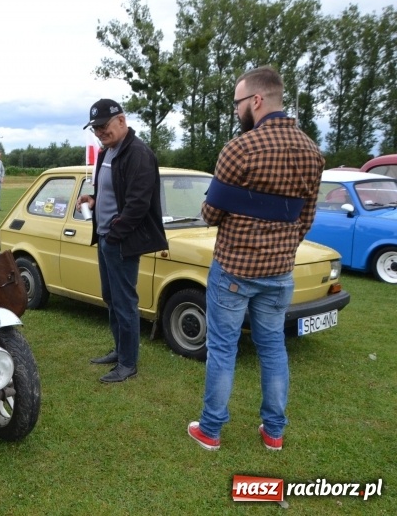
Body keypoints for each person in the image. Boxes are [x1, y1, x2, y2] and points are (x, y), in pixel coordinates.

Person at [187, 66, 325, 452]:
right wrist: (278, 245)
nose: (236, 111)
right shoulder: (313, 152)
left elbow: (210, 215)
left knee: (223, 348)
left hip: (234, 270)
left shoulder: (239, 149)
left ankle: (211, 430)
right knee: (273, 349)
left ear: (257, 101)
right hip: (280, 273)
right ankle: (274, 432)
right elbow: (305, 219)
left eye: (238, 103)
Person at [76, 99, 168, 383]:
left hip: (121, 241)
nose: (100, 132)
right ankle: (119, 350)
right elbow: (112, 192)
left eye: (104, 126)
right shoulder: (107, 152)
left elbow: (138, 205)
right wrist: (92, 200)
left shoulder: (138, 154)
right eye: (95, 129)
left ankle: (128, 363)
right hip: (105, 237)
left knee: (125, 301)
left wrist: (115, 236)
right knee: (111, 297)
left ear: (121, 121)